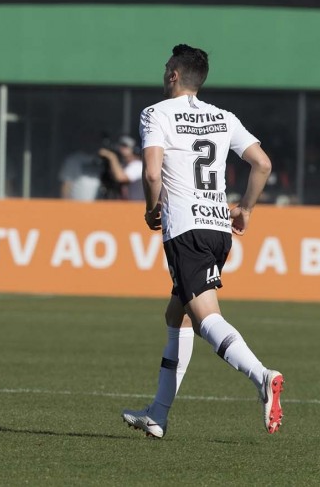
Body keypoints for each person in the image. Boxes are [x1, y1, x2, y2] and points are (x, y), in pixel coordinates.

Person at [121, 44, 283, 438]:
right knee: (176, 314)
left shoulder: (155, 113)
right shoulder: (223, 117)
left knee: (207, 317)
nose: (163, 73)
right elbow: (262, 163)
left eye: (165, 68)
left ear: (174, 75)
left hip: (185, 229)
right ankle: (158, 414)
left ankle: (263, 376)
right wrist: (245, 209)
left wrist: (150, 209)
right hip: (216, 228)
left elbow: (152, 174)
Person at [97, 135, 143, 201]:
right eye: (120, 145)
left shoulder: (138, 165)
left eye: (125, 146)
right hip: (126, 205)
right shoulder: (124, 165)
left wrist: (112, 157)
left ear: (134, 149)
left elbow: (121, 177)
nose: (121, 148)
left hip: (137, 206)